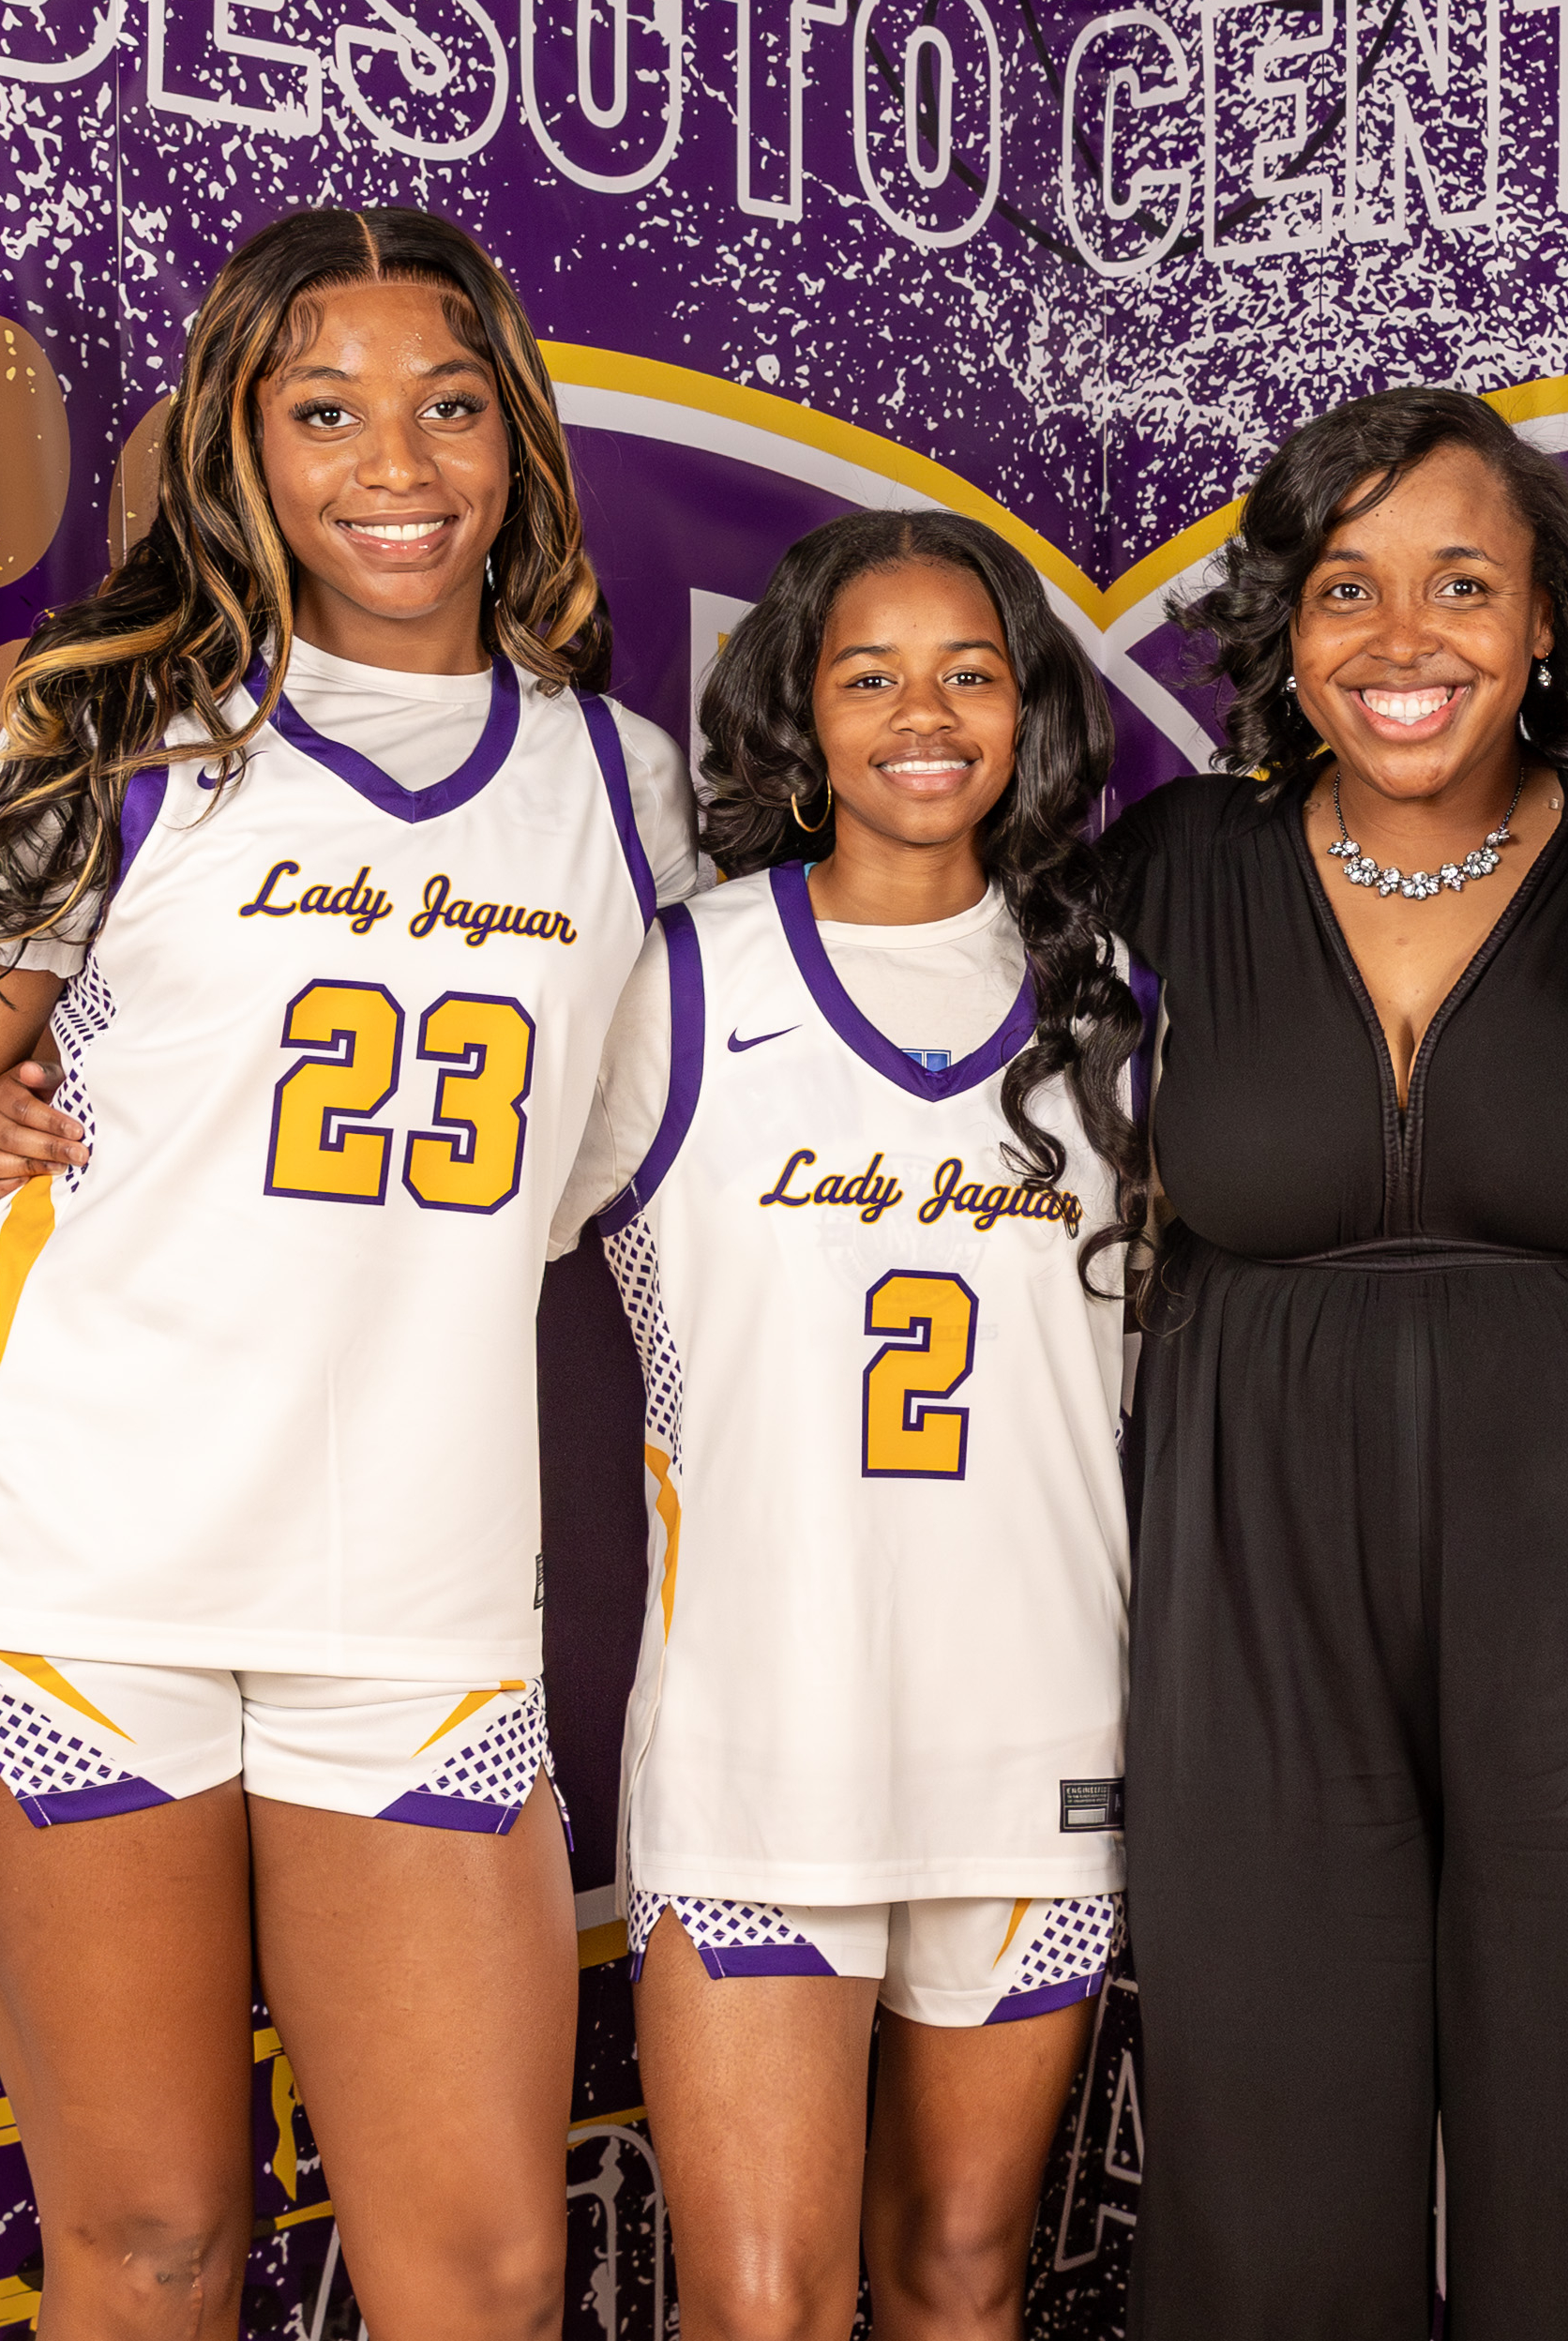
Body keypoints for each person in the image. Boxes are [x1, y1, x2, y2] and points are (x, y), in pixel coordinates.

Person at [0, 208, 697, 2337]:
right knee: (154, 2248)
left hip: (416, 1614)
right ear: (240, 443)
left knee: (477, 2275)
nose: (398, 464)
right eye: (327, 412)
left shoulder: (626, 795)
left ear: (518, 438)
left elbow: (652, 1187)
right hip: (75, 1584)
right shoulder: (111, 728)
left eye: (449, 405)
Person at [1106, 388, 1568, 2339]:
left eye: (1461, 584)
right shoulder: (1168, 873)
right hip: (1251, 1585)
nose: (1402, 640)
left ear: (1549, 627)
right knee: (1264, 2137)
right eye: (1346, 587)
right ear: (1284, 629)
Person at [551, 511, 1149, 2341]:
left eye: (969, 671)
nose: (922, 712)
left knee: (964, 2283)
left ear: (1027, 709)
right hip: (759, 1747)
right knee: (762, 2309)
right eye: (867, 673)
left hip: (1034, 1745)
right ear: (799, 716)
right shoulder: (676, 983)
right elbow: (421, 1241)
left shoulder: (1117, 1006)